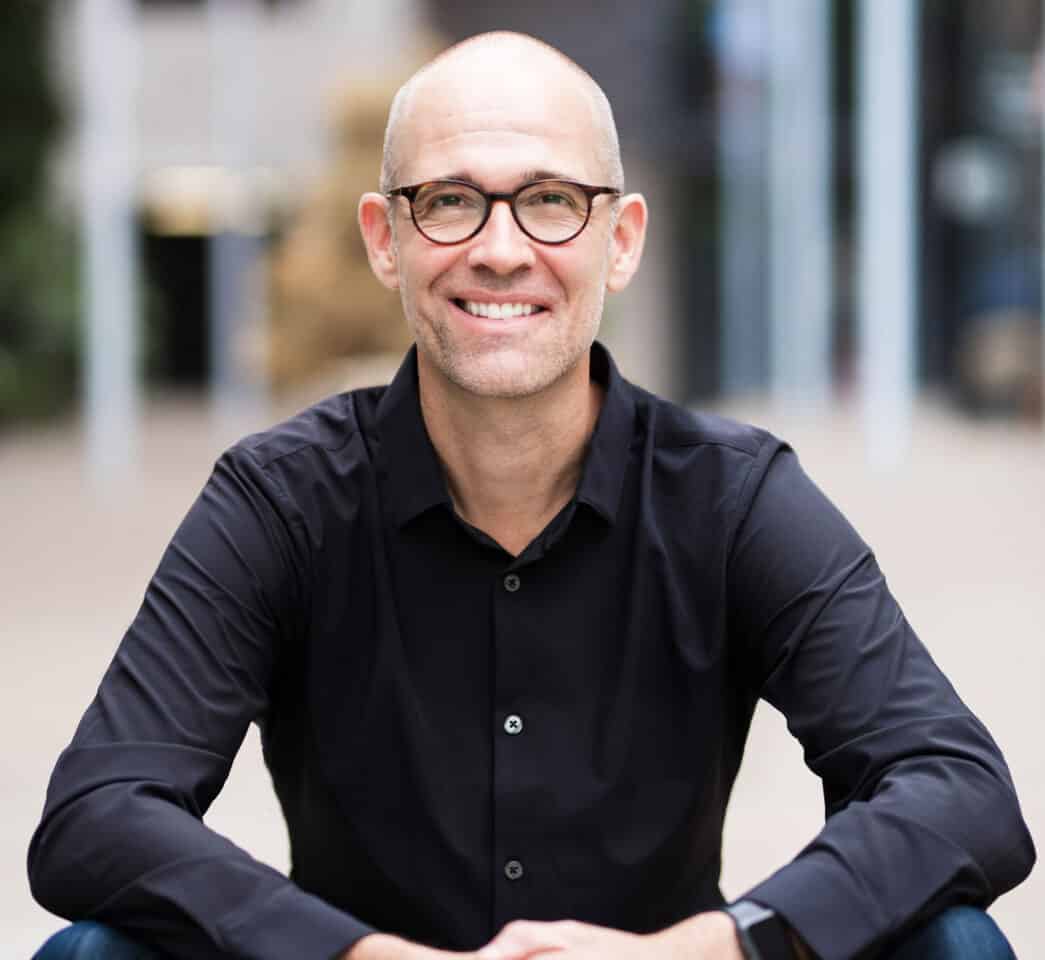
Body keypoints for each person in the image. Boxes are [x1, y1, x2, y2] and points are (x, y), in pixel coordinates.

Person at [29, 32, 1034, 960]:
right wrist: (356, 956)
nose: (500, 248)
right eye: (450, 200)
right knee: (92, 953)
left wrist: (709, 950)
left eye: (550, 200)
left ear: (622, 239)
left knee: (953, 943)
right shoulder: (281, 501)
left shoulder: (731, 498)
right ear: (385, 238)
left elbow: (961, 793)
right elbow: (98, 810)